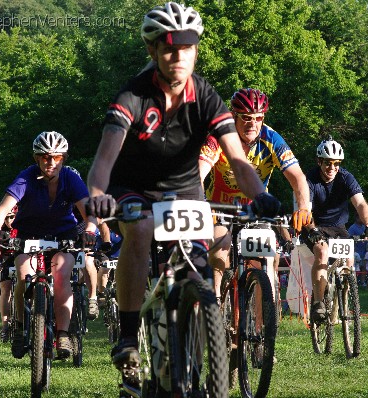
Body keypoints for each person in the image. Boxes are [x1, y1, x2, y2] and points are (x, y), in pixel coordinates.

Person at [85, 2, 281, 391]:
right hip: (133, 187)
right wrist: (96, 196)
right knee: (138, 231)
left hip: (184, 188)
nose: (178, 57)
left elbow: (239, 161)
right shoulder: (133, 96)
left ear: (196, 50)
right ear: (152, 51)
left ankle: (198, 331)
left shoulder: (205, 96)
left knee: (201, 260)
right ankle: (127, 337)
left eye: (187, 47)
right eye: (169, 48)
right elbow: (104, 159)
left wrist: (259, 194)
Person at [0, 131, 97, 360]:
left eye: (56, 157)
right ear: (37, 158)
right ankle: (18, 325)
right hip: (28, 233)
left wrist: (89, 231)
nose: (51, 162)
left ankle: (63, 333)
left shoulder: (70, 178)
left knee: (61, 273)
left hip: (63, 234)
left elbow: (90, 213)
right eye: (45, 157)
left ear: (63, 158)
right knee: (23, 273)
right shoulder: (26, 177)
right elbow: (2, 208)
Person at [198, 87, 311, 299]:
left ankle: (260, 325)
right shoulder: (219, 136)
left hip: (256, 208)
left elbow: (298, 178)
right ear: (233, 116)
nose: (253, 124)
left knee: (267, 261)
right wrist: (199, 202)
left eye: (258, 118)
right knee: (219, 250)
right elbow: (199, 172)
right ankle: (213, 310)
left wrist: (304, 207)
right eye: (246, 118)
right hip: (221, 208)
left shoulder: (272, 138)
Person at [300, 136, 368, 322]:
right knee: (322, 251)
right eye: (328, 163)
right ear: (319, 161)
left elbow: (360, 203)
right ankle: (318, 302)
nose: (332, 168)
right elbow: (305, 210)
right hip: (313, 224)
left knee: (349, 260)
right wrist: (313, 230)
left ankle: (342, 302)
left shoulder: (345, 177)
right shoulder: (309, 179)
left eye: (336, 163)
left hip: (338, 227)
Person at [0, 207, 18, 342]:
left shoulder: (23, 227)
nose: (10, 220)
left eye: (13, 216)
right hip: (7, 260)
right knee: (5, 288)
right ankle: (5, 325)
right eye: (7, 217)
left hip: (22, 259)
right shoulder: (1, 230)